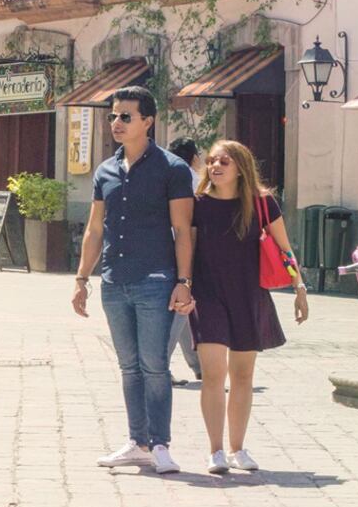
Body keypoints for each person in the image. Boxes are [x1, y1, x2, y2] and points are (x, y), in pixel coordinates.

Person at [73, 86, 195, 474]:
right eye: (113, 116)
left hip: (156, 279)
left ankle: (160, 445)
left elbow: (183, 230)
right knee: (128, 366)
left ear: (148, 121)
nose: (116, 123)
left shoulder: (172, 169)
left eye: (125, 116)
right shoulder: (105, 171)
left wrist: (184, 282)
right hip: (114, 280)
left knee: (154, 364)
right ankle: (137, 441)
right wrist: (81, 278)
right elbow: (95, 229)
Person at [191, 140, 308, 474]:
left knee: (243, 375)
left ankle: (237, 448)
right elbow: (188, 246)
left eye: (223, 161)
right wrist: (183, 286)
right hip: (208, 294)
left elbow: (285, 249)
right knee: (213, 374)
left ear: (241, 167)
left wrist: (299, 287)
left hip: (248, 295)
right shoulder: (198, 204)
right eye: (211, 161)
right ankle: (215, 451)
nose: (215, 166)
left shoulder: (262, 204)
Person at [166, 137, 204, 385]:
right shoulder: (194, 179)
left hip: (167, 245)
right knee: (181, 307)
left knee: (184, 309)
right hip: (187, 249)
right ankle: (159, 365)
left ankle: (200, 365)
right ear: (193, 157)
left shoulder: (165, 173)